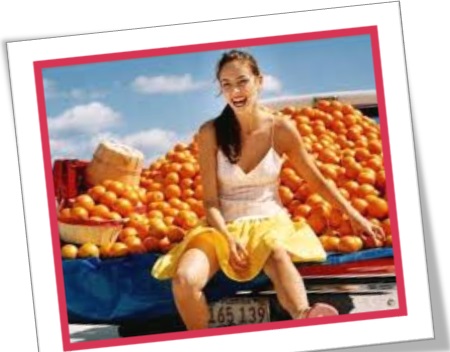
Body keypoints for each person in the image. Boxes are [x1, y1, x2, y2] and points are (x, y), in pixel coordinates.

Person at [151, 49, 385, 330]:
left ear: (258, 81)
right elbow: (210, 201)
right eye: (226, 85)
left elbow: (317, 180)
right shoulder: (210, 132)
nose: (235, 91)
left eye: (242, 81)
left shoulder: (281, 129)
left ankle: (306, 318)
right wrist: (227, 238)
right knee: (185, 279)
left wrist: (354, 215)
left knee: (275, 251)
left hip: (269, 221)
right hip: (221, 226)